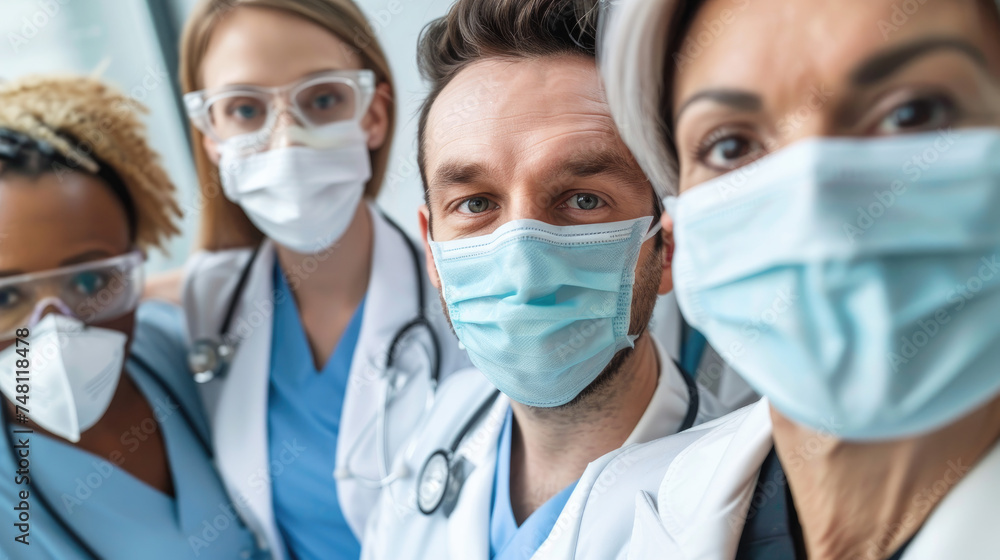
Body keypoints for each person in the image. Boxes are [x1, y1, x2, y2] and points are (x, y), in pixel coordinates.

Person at [547, 0, 1000, 558]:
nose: (814, 200)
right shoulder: (616, 515)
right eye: (731, 146)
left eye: (912, 113)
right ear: (680, 237)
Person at [360, 2, 740, 559]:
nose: (522, 264)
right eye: (475, 203)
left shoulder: (741, 505)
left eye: (583, 199)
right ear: (432, 251)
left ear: (669, 242)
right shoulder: (439, 421)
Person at [177, 1, 470, 559]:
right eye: (244, 109)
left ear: (373, 115)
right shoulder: (210, 297)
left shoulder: (461, 304)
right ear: (212, 138)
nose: (286, 141)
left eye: (323, 99)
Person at [0, 75, 266, 559]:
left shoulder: (174, 348)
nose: (53, 330)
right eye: (5, 300)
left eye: (88, 282)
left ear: (134, 265)